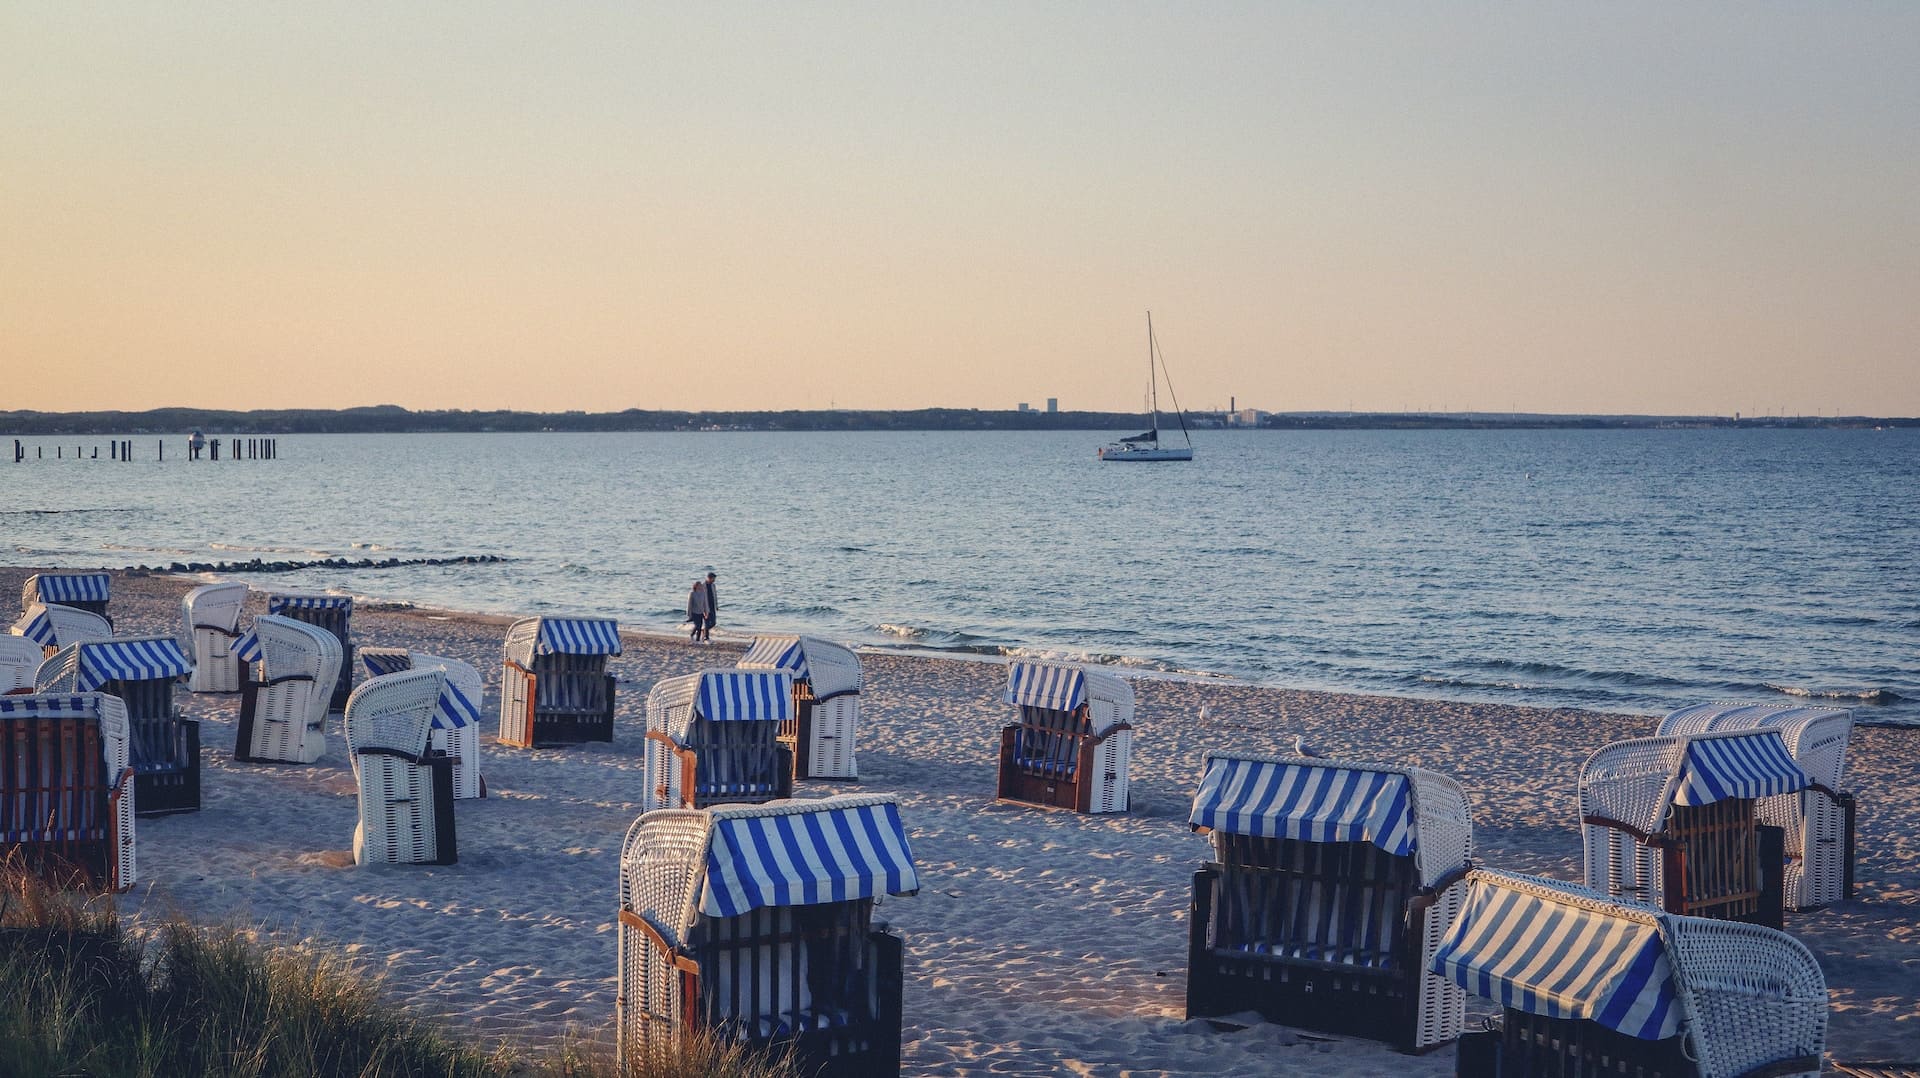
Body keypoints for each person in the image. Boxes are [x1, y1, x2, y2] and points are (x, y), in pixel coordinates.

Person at [685, 578, 709, 643]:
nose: (701, 586)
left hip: (701, 612)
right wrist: (689, 614)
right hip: (694, 612)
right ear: (695, 586)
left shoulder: (703, 593)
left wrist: (706, 612)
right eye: (699, 585)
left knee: (700, 626)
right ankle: (693, 635)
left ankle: (697, 639)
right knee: (697, 626)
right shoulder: (692, 593)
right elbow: (689, 604)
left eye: (701, 585)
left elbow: (705, 603)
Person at [700, 571, 718, 642]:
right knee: (707, 622)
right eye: (713, 579)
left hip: (712, 606)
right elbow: (700, 597)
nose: (714, 580)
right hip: (705, 607)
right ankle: (706, 637)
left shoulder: (713, 585)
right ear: (709, 578)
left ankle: (704, 631)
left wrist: (716, 605)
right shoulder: (702, 585)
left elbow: (715, 596)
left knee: (713, 622)